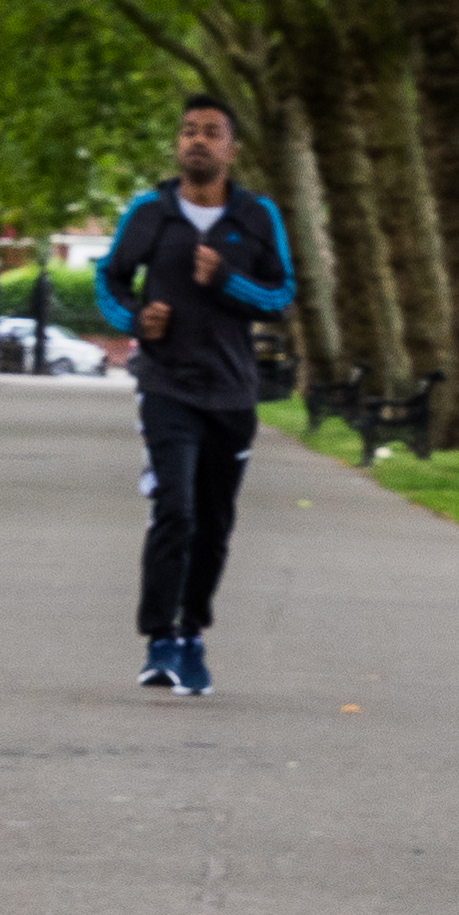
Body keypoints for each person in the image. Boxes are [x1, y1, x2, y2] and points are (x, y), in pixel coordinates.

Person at [100, 96, 295, 697]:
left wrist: (226, 280)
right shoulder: (149, 212)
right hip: (167, 384)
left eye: (211, 133)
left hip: (233, 392)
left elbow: (281, 294)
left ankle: (192, 635)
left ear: (232, 150)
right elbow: (108, 280)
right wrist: (137, 320)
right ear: (178, 145)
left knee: (213, 523)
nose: (197, 141)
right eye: (188, 132)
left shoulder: (258, 216)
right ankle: (159, 639)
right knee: (176, 510)